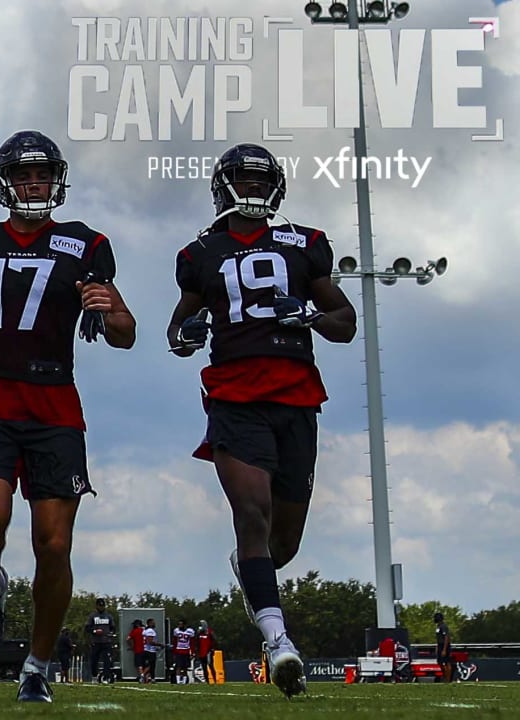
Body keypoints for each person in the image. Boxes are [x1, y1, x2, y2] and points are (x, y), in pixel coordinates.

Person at [0, 130, 135, 704]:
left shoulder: (85, 244)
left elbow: (127, 332)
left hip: (53, 402)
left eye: (42, 174)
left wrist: (107, 309)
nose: (33, 183)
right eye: (23, 175)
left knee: (53, 545)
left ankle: (37, 666)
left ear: (56, 179)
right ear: (4, 182)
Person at [167, 143, 356, 699]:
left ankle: (253, 576)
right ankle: (278, 642)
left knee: (284, 542)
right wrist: (188, 333)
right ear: (224, 187)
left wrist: (313, 316)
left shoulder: (307, 244)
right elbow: (177, 333)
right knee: (252, 512)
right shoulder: (199, 254)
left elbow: (345, 323)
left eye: (259, 182)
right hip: (234, 398)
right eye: (244, 182)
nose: (252, 191)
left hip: (296, 398)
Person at [84, 598, 117, 683]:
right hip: (96, 641)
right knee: (94, 660)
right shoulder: (92, 616)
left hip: (106, 642)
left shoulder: (108, 616)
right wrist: (95, 631)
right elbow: (87, 628)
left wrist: (111, 633)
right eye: (100, 606)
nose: (101, 607)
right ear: (97, 606)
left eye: (103, 606)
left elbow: (113, 627)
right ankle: (94, 676)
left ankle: (105, 677)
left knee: (107, 661)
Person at [171, 618, 194, 684]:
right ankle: (178, 681)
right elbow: (175, 641)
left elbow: (192, 643)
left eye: (181, 624)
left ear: (184, 625)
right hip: (179, 650)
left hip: (186, 650)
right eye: (179, 624)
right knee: (178, 666)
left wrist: (192, 652)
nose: (179, 626)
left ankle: (184, 682)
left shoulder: (190, 631)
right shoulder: (176, 631)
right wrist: (174, 652)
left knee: (185, 667)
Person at [434, 612, 453, 682]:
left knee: (447, 662)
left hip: (444, 645)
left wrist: (444, 649)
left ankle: (448, 679)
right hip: (439, 645)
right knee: (440, 662)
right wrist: (437, 646)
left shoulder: (444, 626)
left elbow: (446, 637)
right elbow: (438, 638)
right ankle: (445, 675)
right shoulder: (438, 627)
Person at [142, 618, 160, 683]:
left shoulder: (145, 630)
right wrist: (160, 645)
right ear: (149, 623)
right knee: (151, 665)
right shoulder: (150, 631)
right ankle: (143, 676)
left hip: (146, 649)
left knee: (149, 665)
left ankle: (149, 679)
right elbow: (150, 642)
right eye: (153, 622)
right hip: (150, 650)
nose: (154, 624)